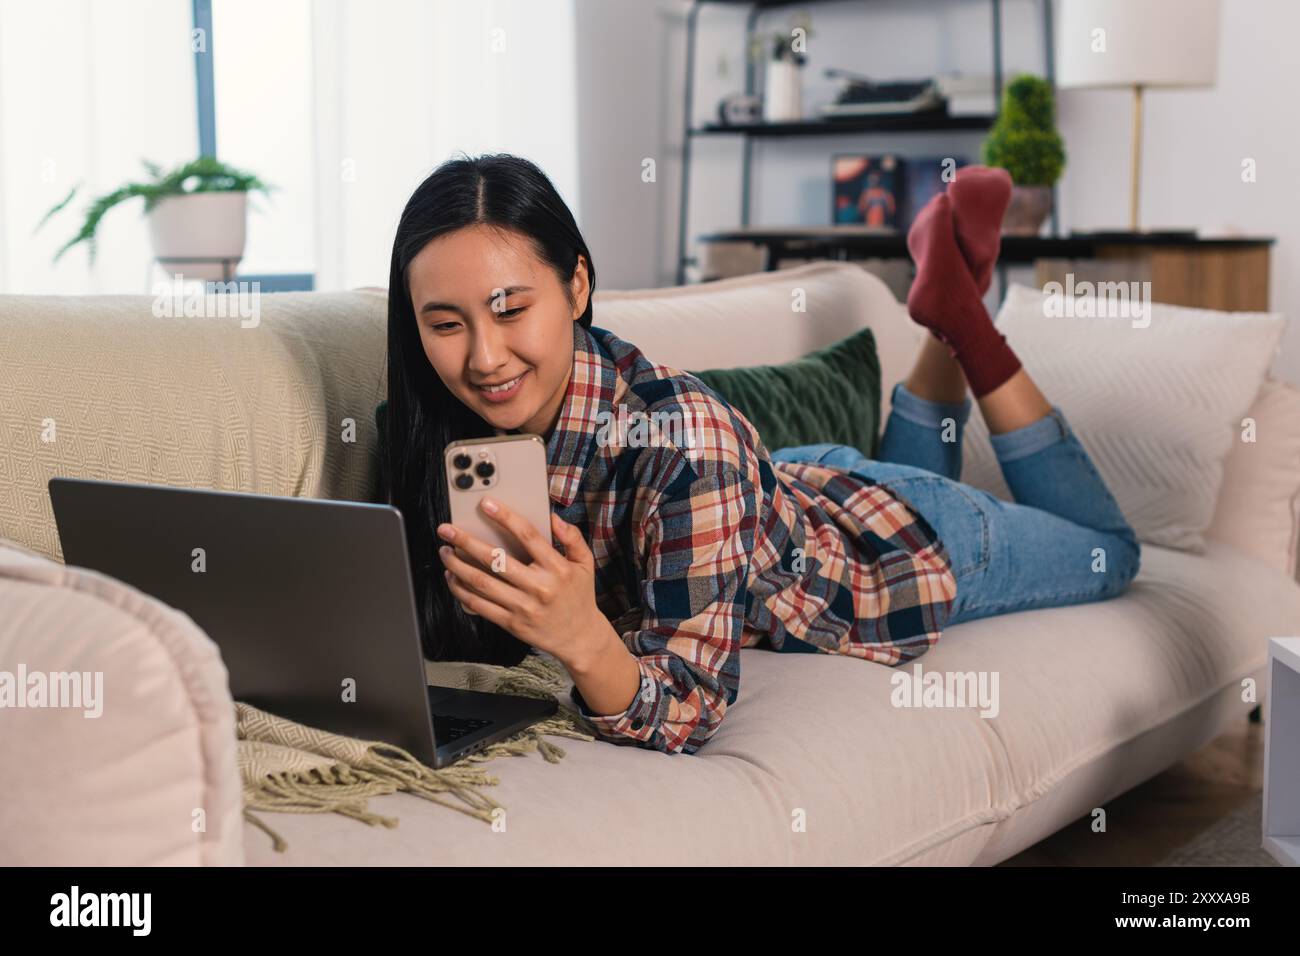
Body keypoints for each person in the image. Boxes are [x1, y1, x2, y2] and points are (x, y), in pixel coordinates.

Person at [381, 153, 1140, 756]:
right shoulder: (443, 434)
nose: (484, 357)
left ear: (577, 284)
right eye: (446, 323)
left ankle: (967, 323)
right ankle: (947, 304)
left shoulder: (684, 446)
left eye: (511, 308)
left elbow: (686, 709)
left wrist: (584, 640)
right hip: (798, 487)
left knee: (1113, 552)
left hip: (901, 548)